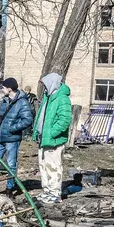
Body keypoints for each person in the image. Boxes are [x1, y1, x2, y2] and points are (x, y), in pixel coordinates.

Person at [32, 73, 73, 205]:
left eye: (45, 85)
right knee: (44, 166)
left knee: (53, 167)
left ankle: (55, 193)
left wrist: (51, 133)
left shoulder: (62, 99)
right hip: (44, 140)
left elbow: (65, 120)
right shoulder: (48, 97)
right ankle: (47, 191)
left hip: (53, 141)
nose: (44, 88)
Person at [0, 77, 33, 197]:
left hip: (12, 140)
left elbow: (28, 120)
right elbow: (0, 117)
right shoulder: (5, 100)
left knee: (11, 165)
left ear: (9, 89)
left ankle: (9, 188)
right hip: (0, 138)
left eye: (3, 87)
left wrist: (12, 129)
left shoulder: (22, 102)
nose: (1, 90)